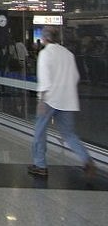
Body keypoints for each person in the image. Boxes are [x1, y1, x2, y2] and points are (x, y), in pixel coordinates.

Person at [28, 26, 97, 178]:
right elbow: (75, 77)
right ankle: (86, 160)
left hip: (50, 99)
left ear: (45, 38)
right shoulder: (68, 54)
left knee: (39, 132)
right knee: (69, 134)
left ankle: (40, 165)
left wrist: (41, 100)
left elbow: (45, 79)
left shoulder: (45, 53)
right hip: (68, 100)